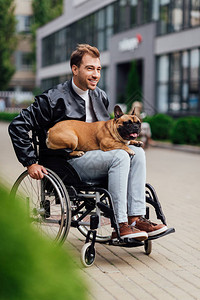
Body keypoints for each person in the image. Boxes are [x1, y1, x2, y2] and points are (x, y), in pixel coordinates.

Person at [9, 44, 167, 241]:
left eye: (99, 69)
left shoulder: (101, 96)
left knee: (138, 153)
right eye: (90, 68)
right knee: (120, 155)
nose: (96, 74)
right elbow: (18, 125)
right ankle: (121, 225)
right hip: (67, 163)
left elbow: (107, 134)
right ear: (75, 69)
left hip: (99, 158)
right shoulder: (53, 98)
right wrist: (30, 162)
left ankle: (135, 219)